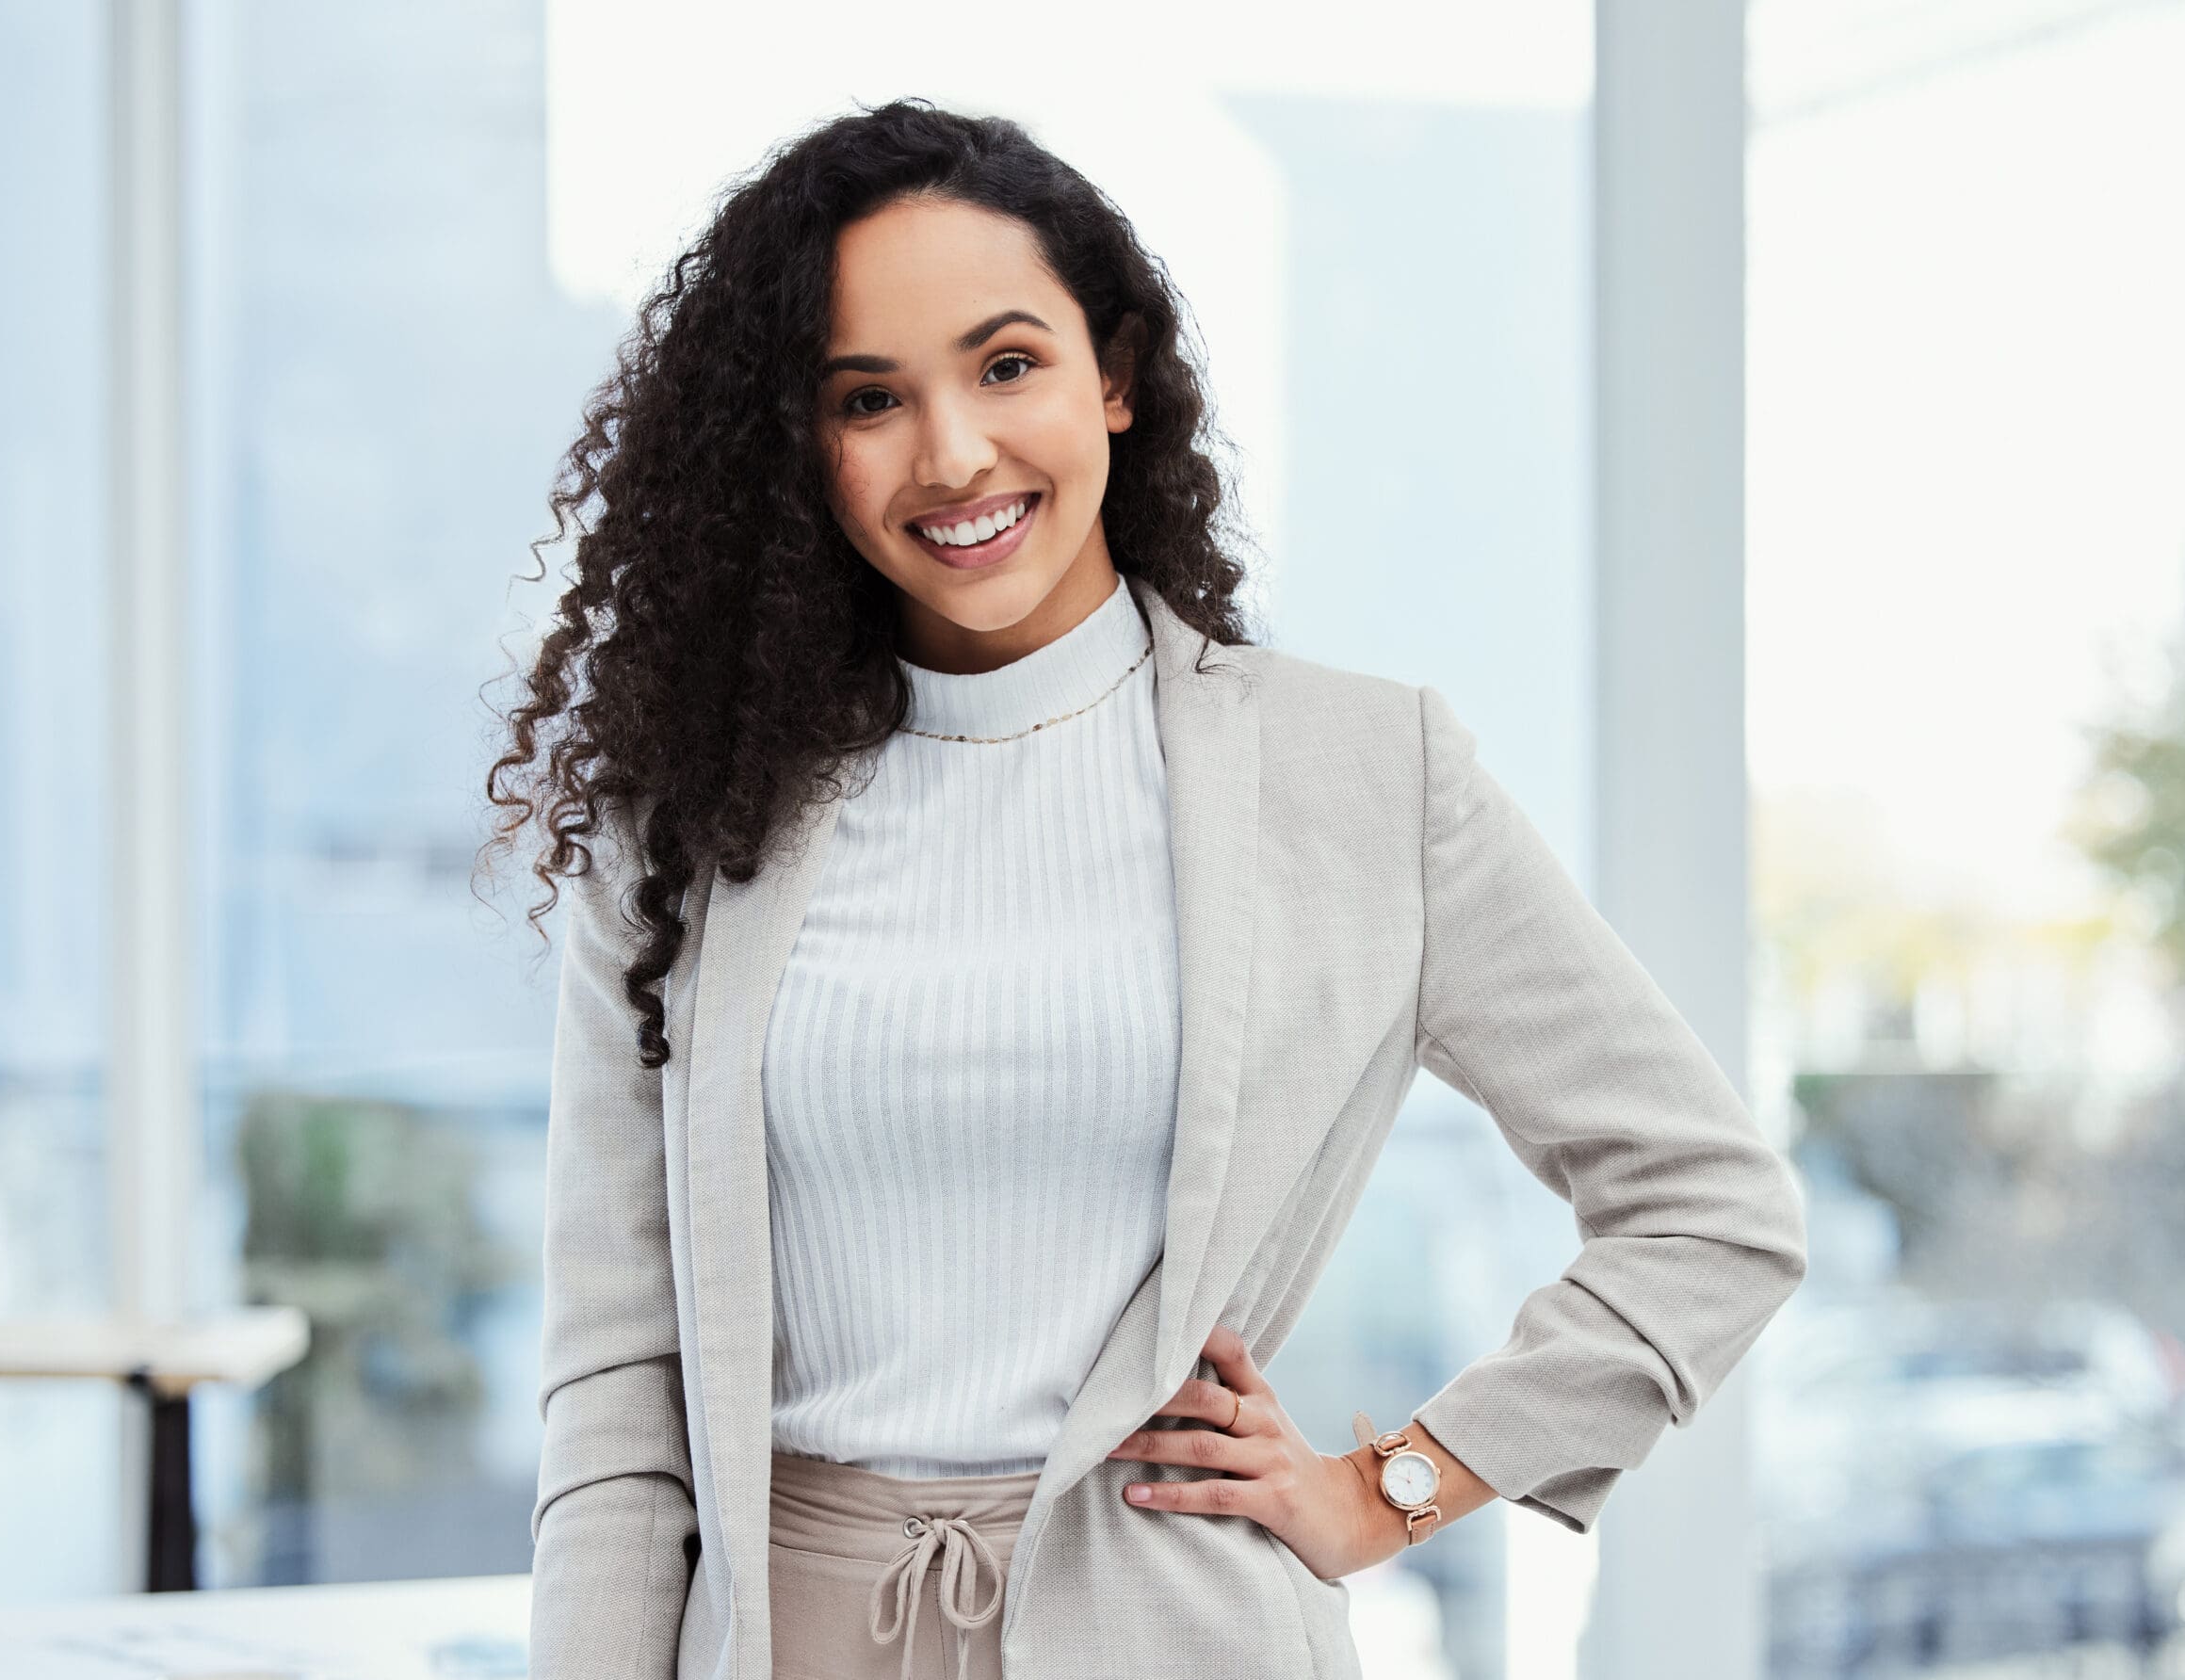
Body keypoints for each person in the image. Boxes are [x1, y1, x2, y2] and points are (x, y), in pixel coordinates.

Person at [483, 96, 1809, 1680]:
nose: (953, 451)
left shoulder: (1363, 774)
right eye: (867, 399)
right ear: (801, 450)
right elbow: (619, 1399)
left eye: (1007, 364)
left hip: (1180, 1633)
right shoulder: (687, 824)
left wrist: (1394, 1489)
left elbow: (1712, 1207)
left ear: (1114, 375)